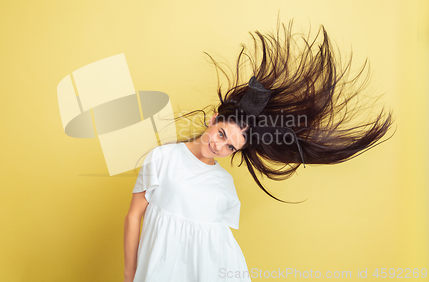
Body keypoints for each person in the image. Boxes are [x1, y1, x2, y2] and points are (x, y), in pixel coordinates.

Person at [123, 21, 394, 282]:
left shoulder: (223, 184)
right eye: (221, 134)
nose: (219, 146)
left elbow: (216, 245)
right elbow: (135, 215)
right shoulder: (162, 158)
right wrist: (130, 274)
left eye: (230, 146)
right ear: (213, 119)